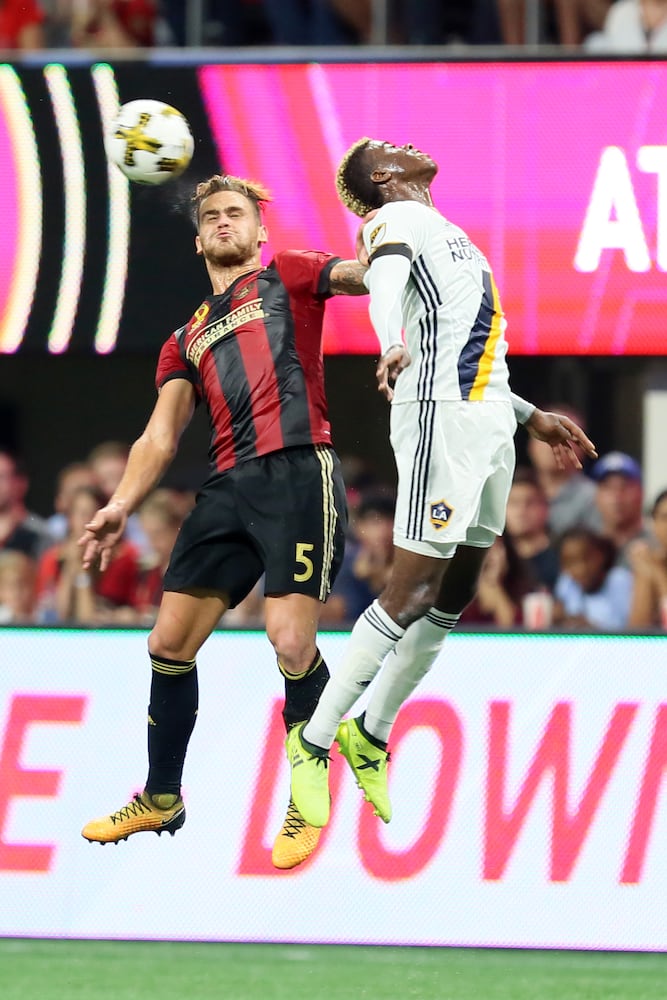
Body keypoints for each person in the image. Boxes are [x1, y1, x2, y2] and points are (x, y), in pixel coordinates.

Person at [285, 138, 599, 830]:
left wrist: (530, 416)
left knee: (452, 595)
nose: (407, 146)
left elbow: (468, 345)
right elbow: (387, 284)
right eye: (389, 148)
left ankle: (370, 731)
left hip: (487, 419)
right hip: (440, 418)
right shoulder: (391, 221)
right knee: (408, 591)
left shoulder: (450, 234)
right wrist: (389, 338)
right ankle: (311, 742)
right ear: (387, 177)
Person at [79, 174, 368, 871]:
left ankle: (306, 789)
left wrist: (392, 241)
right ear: (198, 237)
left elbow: (360, 275)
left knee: (290, 639)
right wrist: (119, 502)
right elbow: (159, 436)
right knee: (167, 641)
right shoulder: (185, 337)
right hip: (226, 490)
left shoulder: (290, 276)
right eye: (210, 216)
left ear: (258, 229)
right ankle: (161, 794)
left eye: (235, 213)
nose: (222, 223)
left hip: (299, 471)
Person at [552, 527, 633, 631]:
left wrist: (590, 627)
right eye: (570, 562)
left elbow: (631, 630)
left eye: (587, 558)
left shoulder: (619, 580)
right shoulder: (567, 582)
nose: (581, 569)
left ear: (601, 555)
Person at [504, 465, 560, 592]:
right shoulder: (496, 557)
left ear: (546, 507)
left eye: (530, 503)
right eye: (514, 503)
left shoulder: (561, 554)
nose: (521, 511)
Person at [592, 451, 650, 568]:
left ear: (641, 493)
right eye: (608, 487)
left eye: (624, 487)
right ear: (596, 496)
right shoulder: (588, 546)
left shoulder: (658, 542)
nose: (617, 497)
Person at [627, 488, 667, 629]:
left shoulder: (653, 567)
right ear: (654, 523)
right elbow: (637, 632)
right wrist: (647, 572)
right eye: (665, 518)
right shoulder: (648, 564)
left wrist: (658, 575)